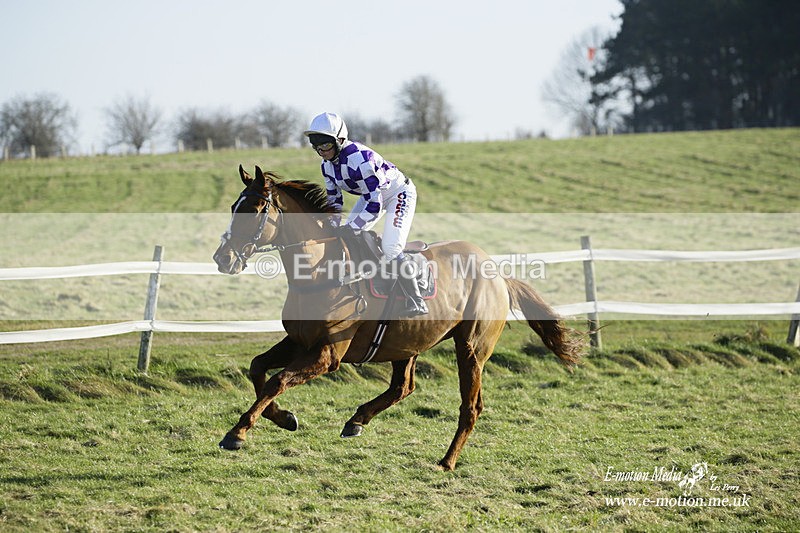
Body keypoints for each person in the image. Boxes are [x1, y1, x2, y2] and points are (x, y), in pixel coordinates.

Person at [304, 112, 428, 316]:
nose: (321, 151)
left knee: (391, 247)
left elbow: (374, 206)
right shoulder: (326, 166)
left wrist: (351, 227)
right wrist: (331, 225)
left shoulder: (360, 159)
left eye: (325, 145)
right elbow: (334, 200)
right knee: (343, 236)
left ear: (340, 140)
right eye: (316, 145)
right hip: (372, 195)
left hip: (397, 194)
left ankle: (417, 300)